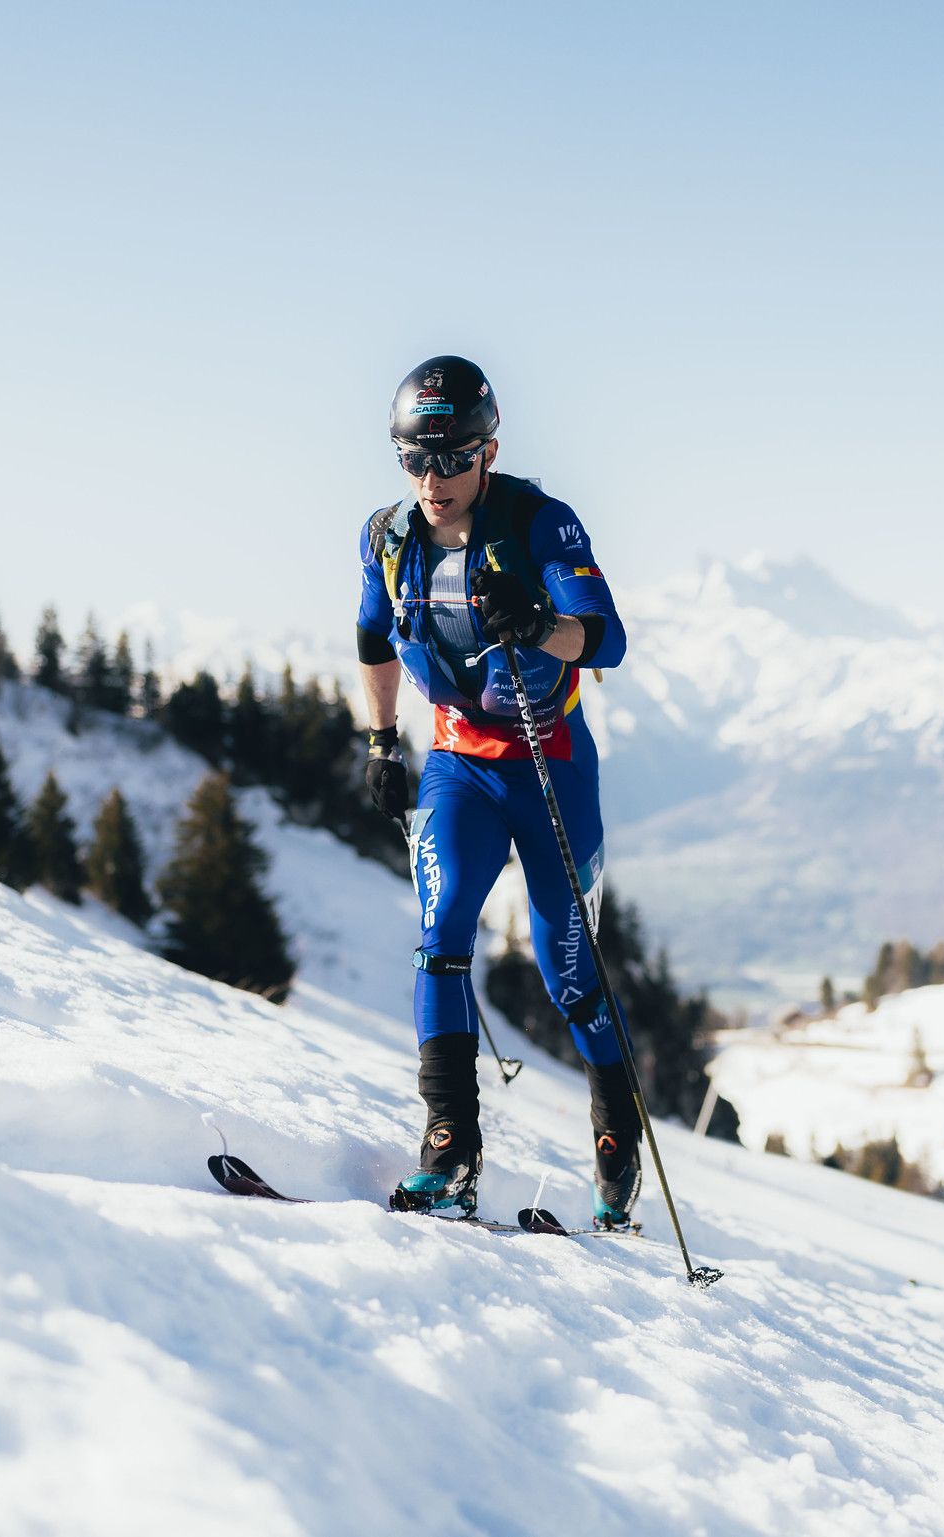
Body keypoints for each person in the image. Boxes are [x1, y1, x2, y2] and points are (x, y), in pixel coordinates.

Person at [354, 354, 640, 1227]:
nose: (432, 479)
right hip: (458, 765)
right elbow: (372, 638)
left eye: (451, 457)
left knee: (567, 973)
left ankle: (616, 1128)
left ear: (489, 450)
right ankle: (450, 1147)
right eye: (414, 459)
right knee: (440, 936)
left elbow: (607, 639)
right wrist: (380, 741)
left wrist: (541, 625)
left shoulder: (540, 524)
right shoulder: (388, 539)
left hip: (551, 762)